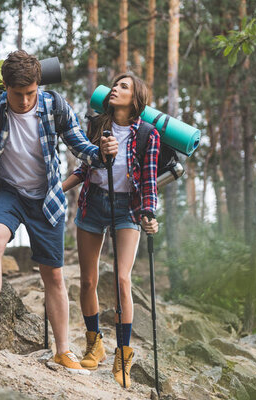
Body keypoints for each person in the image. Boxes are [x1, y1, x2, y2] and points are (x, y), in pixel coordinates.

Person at [0, 50, 117, 373]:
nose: (24, 101)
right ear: (5, 87)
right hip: (6, 191)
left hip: (46, 197)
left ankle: (63, 350)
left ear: (39, 85)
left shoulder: (54, 105)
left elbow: (84, 149)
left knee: (53, 275)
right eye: (17, 94)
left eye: (30, 93)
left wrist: (104, 151)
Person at [62, 72, 159, 387]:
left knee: (121, 279)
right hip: (93, 202)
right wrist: (57, 190)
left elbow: (149, 180)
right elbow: (85, 167)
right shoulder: (97, 126)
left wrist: (149, 213)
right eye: (115, 85)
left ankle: (123, 357)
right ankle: (95, 345)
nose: (116, 89)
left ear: (136, 98)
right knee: (87, 280)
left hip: (127, 207)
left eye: (124, 86)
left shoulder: (148, 134)